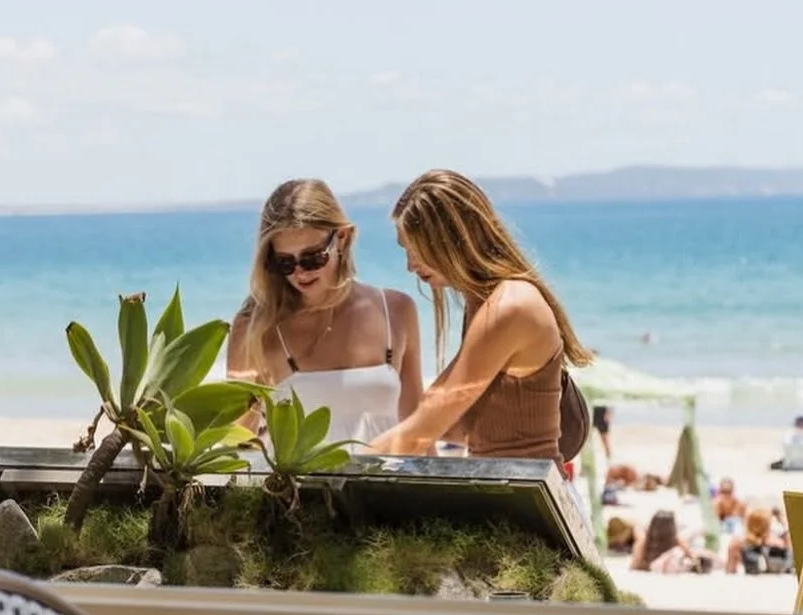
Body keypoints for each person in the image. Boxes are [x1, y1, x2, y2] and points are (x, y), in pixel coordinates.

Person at [367, 169, 592, 462]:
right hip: (505, 488)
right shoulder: (483, 303)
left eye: (418, 250)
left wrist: (334, 468)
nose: (410, 265)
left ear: (451, 240)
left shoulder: (509, 306)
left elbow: (425, 428)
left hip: (525, 498)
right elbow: (448, 421)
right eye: (406, 250)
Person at [226, 179, 423, 444]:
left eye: (312, 257)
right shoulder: (255, 327)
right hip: (296, 487)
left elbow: (421, 434)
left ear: (342, 238)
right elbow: (238, 444)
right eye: (285, 262)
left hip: (386, 485)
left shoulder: (397, 311)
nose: (300, 272)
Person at [629, 510, 719, 574]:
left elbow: (634, 567)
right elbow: (692, 557)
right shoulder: (677, 540)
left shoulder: (642, 543)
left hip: (648, 569)